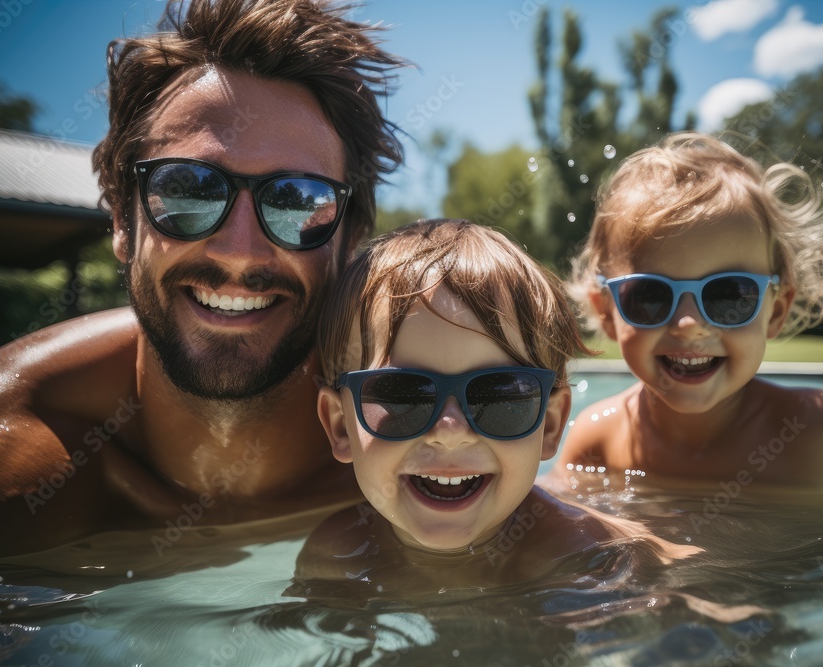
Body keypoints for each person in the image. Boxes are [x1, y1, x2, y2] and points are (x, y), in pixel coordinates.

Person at [0, 0, 404, 551]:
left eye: (298, 201)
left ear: (349, 242)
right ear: (123, 218)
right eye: (188, 189)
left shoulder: (421, 445)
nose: (240, 254)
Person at [294, 219, 705, 599]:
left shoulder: (589, 560)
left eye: (500, 395)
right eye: (404, 394)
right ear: (340, 426)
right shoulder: (337, 555)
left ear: (550, 425)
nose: (450, 429)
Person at [552, 133, 823, 503]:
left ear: (776, 311)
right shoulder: (598, 441)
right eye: (649, 296)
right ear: (608, 312)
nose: (690, 323)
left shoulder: (817, 435)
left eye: (730, 294)